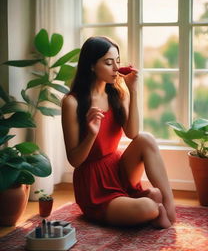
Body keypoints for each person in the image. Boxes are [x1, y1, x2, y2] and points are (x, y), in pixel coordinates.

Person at [61, 36, 176, 228]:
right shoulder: (72, 102)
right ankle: (151, 206)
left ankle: (168, 208)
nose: (116, 68)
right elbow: (75, 160)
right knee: (147, 205)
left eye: (118, 61)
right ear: (91, 66)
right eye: (108, 62)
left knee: (146, 138)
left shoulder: (117, 93)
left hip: (118, 169)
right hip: (94, 184)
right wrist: (91, 133)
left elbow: (133, 133)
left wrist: (133, 91)